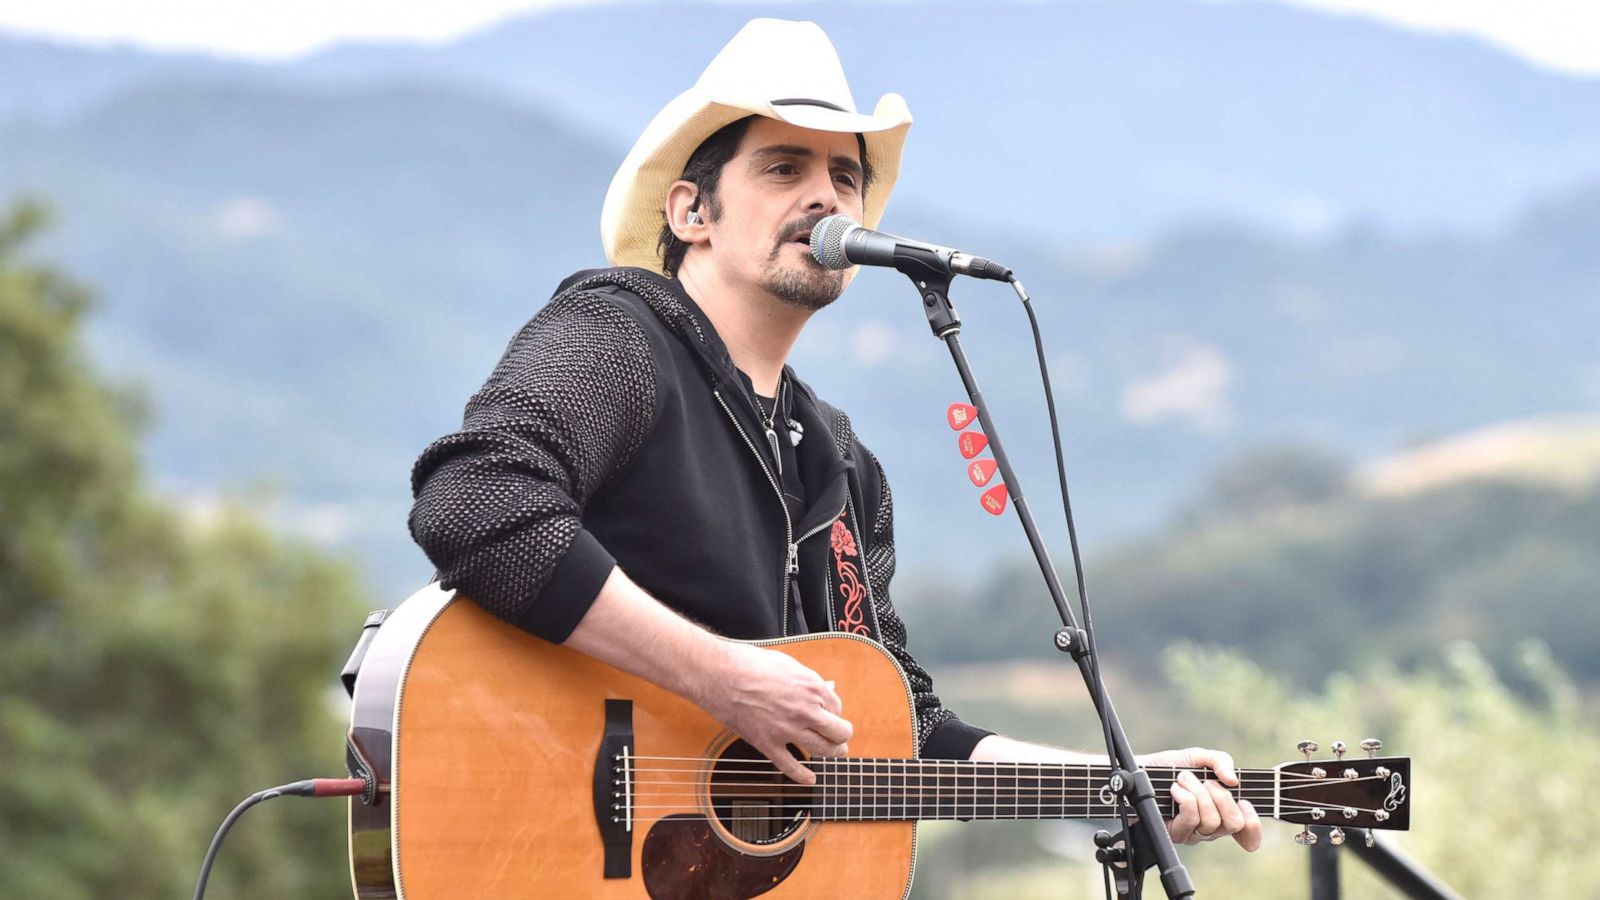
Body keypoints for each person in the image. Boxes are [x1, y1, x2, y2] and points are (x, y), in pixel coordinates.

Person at [408, 18, 1260, 852]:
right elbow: (474, 504)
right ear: (691, 211)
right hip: (544, 838)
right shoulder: (620, 338)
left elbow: (902, 728)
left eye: (845, 178)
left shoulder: (841, 464)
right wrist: (721, 678)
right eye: (785, 167)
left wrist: (1122, 779)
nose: (826, 196)